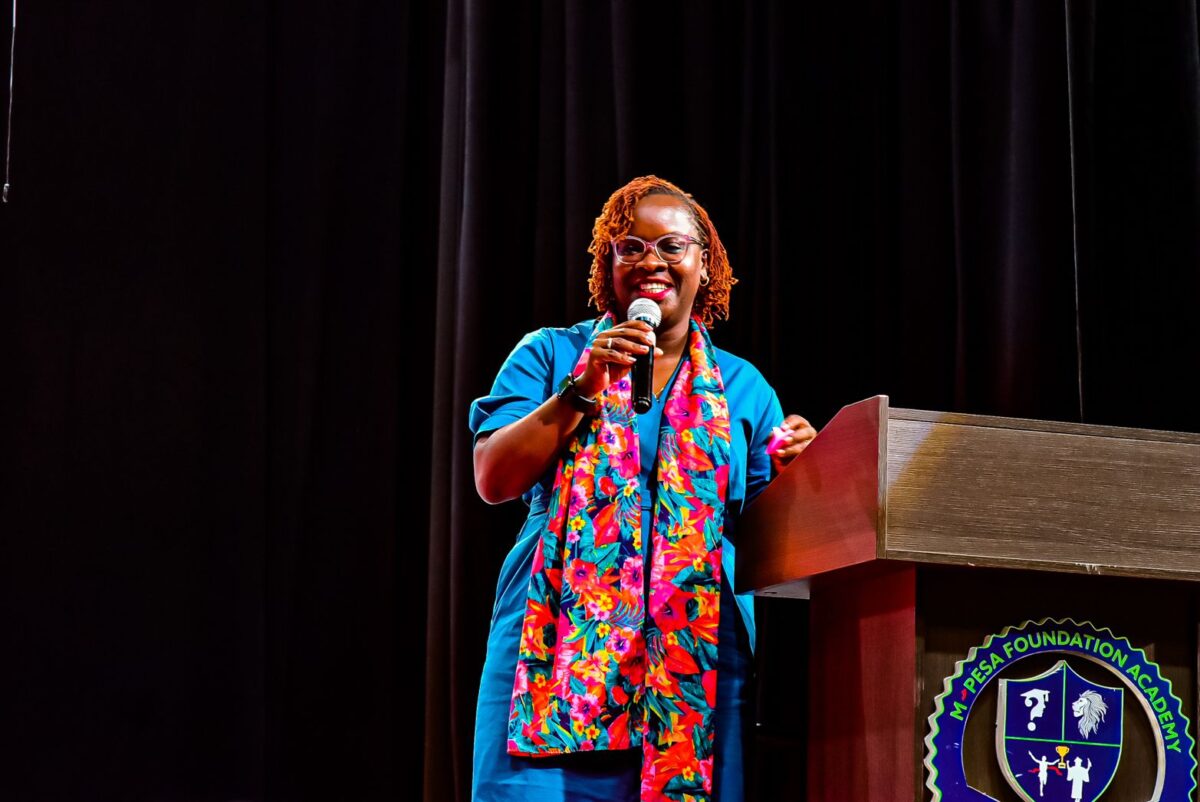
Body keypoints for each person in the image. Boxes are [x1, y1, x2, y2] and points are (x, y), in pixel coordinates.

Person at [469, 175, 816, 802]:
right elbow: (493, 478)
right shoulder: (552, 354)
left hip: (696, 660)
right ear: (609, 265)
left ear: (704, 265)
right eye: (631, 247)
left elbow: (778, 545)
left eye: (671, 246)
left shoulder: (743, 388)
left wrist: (806, 471)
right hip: (552, 650)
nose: (651, 261)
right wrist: (583, 388)